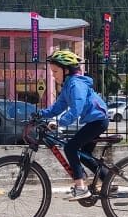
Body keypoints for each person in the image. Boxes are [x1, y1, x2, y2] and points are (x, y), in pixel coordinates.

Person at [37, 49, 109, 200]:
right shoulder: (68, 85)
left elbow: (77, 108)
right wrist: (40, 114)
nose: (53, 75)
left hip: (98, 121)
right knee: (84, 155)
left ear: (66, 70)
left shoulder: (76, 85)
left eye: (55, 71)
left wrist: (59, 122)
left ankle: (81, 188)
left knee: (70, 147)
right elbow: (58, 107)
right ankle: (108, 181)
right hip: (94, 121)